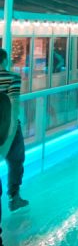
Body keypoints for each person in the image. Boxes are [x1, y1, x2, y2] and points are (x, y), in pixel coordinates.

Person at [0, 48, 30, 218]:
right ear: (4, 60)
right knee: (16, 159)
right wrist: (12, 130)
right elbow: (14, 104)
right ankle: (14, 196)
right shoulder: (13, 78)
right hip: (7, 125)